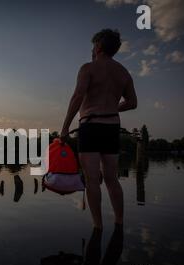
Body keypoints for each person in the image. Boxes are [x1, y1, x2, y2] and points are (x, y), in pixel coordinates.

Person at [60, 29, 137, 230]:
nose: (92, 50)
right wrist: (113, 108)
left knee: (92, 179)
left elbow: (78, 96)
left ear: (99, 46)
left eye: (93, 46)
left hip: (90, 126)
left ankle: (98, 226)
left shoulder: (88, 68)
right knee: (112, 179)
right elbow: (132, 102)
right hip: (112, 127)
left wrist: (65, 126)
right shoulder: (123, 72)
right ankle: (119, 222)